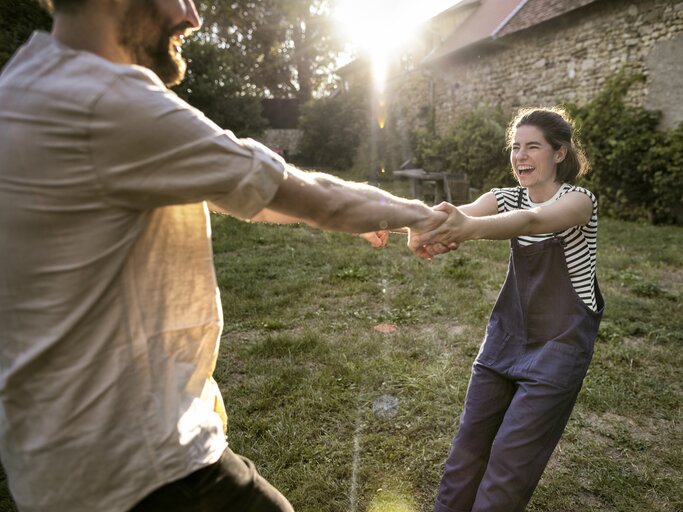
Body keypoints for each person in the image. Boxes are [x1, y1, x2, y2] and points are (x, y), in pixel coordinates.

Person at [0, 1, 451, 511]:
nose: (192, 16)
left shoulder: (23, 85)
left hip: (51, 465)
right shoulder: (106, 100)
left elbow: (247, 194)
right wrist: (419, 214)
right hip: (139, 465)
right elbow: (318, 197)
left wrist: (363, 213)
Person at [412, 107, 605, 512]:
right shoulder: (504, 197)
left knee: (506, 470)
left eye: (532, 146)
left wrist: (469, 229)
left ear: (559, 153)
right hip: (505, 339)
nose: (520, 156)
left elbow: (534, 221)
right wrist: (386, 220)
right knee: (465, 455)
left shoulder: (579, 201)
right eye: (515, 147)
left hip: (560, 348)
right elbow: (447, 216)